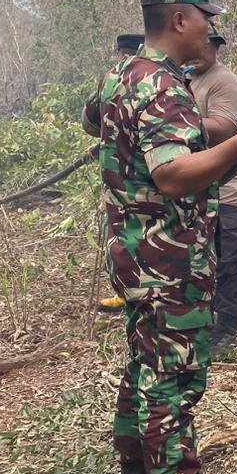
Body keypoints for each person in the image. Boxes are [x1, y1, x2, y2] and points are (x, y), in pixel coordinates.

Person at [85, 0, 237, 474]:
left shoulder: (122, 73)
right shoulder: (163, 85)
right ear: (179, 20)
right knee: (172, 377)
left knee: (145, 364)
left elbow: (96, 122)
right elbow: (173, 176)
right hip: (168, 258)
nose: (210, 29)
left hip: (134, 251)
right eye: (205, 18)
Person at [186, 33, 237, 354]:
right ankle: (202, 325)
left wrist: (168, 122)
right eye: (196, 43)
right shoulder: (187, 80)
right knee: (198, 260)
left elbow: (222, 128)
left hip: (233, 189)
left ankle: (227, 330)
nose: (198, 51)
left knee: (232, 260)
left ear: (216, 48)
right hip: (200, 187)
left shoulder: (224, 82)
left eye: (206, 45)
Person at [85, 33, 145, 315]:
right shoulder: (159, 78)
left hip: (119, 176)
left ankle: (128, 293)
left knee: (121, 232)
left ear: (120, 53)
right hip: (144, 178)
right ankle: (135, 295)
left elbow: (89, 122)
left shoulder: (110, 80)